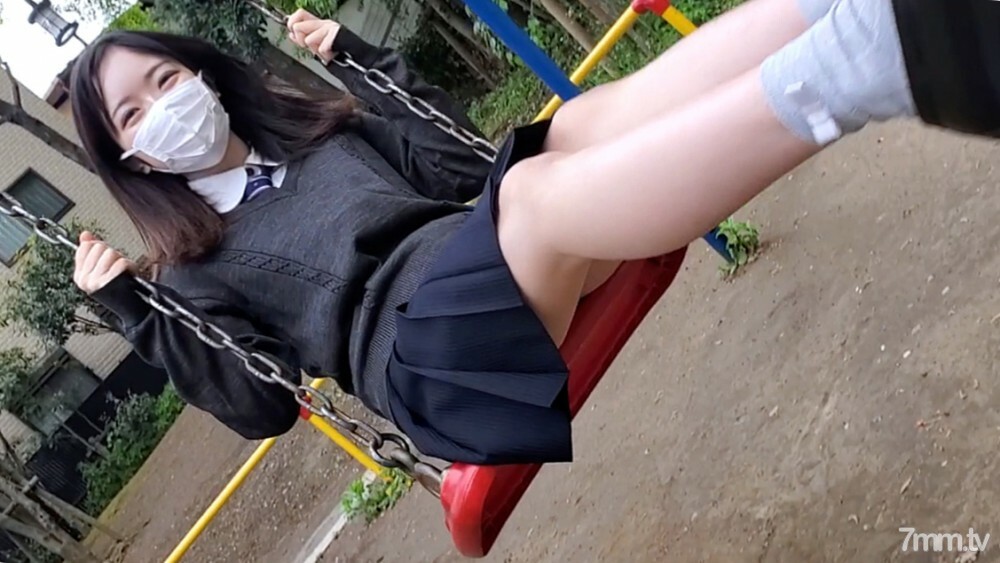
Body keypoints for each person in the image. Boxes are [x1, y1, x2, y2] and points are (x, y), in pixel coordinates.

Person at [68, 0, 987, 465]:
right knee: (539, 195)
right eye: (134, 113)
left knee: (574, 128)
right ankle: (876, 64)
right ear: (131, 159)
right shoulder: (189, 270)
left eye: (165, 79)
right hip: (425, 363)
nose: (162, 108)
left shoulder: (319, 132)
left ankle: (836, 12)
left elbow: (463, 170)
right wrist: (136, 312)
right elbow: (260, 405)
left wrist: (359, 61)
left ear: (204, 75)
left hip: (494, 251)